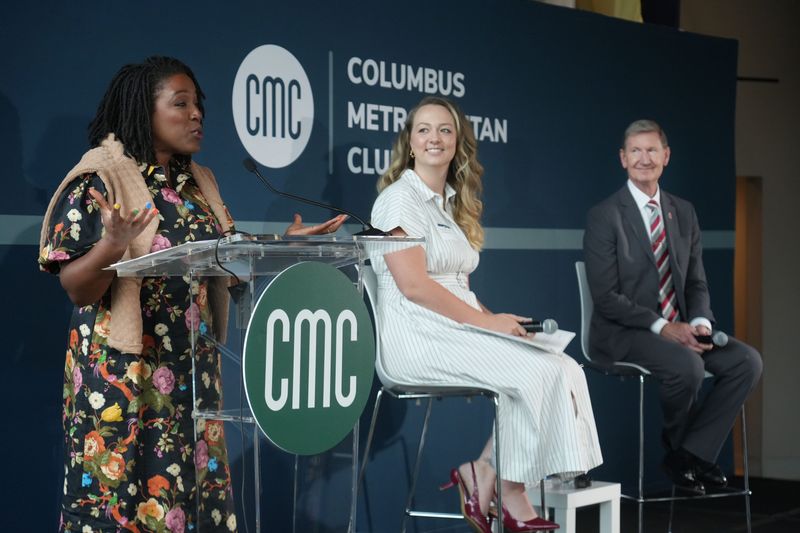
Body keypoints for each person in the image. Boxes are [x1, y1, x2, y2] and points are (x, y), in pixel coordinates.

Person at [38, 56, 346, 533]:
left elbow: (222, 262)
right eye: (180, 103)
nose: (197, 113)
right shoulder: (100, 179)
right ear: (143, 110)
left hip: (191, 380)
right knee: (119, 509)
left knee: (187, 507)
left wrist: (285, 247)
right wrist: (111, 245)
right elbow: (77, 287)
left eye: (198, 104)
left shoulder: (198, 184)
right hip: (123, 381)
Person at [368, 96, 602, 533]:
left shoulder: (449, 205)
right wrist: (487, 325)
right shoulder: (399, 202)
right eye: (424, 130)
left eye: (444, 130)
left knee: (563, 365)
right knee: (533, 374)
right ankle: (509, 494)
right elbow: (414, 287)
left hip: (454, 326)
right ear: (410, 143)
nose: (434, 138)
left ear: (457, 143)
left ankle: (484, 473)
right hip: (415, 337)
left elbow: (461, 291)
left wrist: (503, 324)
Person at [583, 119, 762, 494]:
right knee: (687, 365)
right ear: (622, 158)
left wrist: (698, 322)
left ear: (666, 156)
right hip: (623, 333)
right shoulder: (605, 215)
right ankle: (686, 452)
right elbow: (606, 297)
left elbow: (696, 281)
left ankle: (689, 456)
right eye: (635, 151)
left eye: (651, 150)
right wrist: (664, 327)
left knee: (746, 361)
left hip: (680, 329)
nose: (643, 158)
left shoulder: (683, 212)